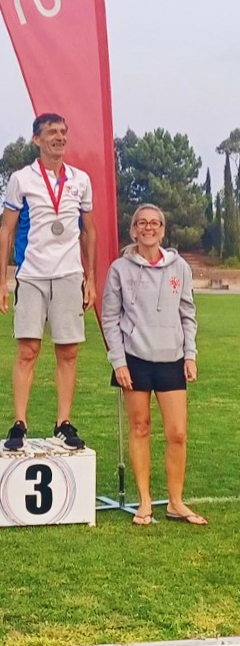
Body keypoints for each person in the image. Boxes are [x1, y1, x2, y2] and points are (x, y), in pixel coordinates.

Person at [0, 113, 97, 451]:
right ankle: (19, 423)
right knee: (28, 350)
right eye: (51, 132)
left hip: (69, 275)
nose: (59, 137)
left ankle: (63, 422)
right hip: (32, 274)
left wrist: (91, 278)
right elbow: (6, 231)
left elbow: (89, 232)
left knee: (68, 352)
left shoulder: (80, 180)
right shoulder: (21, 179)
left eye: (63, 132)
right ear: (37, 139)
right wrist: (0, 282)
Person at [102, 204, 206, 526]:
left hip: (171, 359)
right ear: (133, 230)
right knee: (140, 428)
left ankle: (175, 502)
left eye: (155, 223)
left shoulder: (180, 268)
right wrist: (118, 361)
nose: (149, 228)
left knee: (177, 433)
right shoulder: (119, 269)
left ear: (163, 230)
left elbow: (187, 313)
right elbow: (109, 319)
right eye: (142, 223)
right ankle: (145, 502)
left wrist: (190, 354)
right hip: (134, 360)